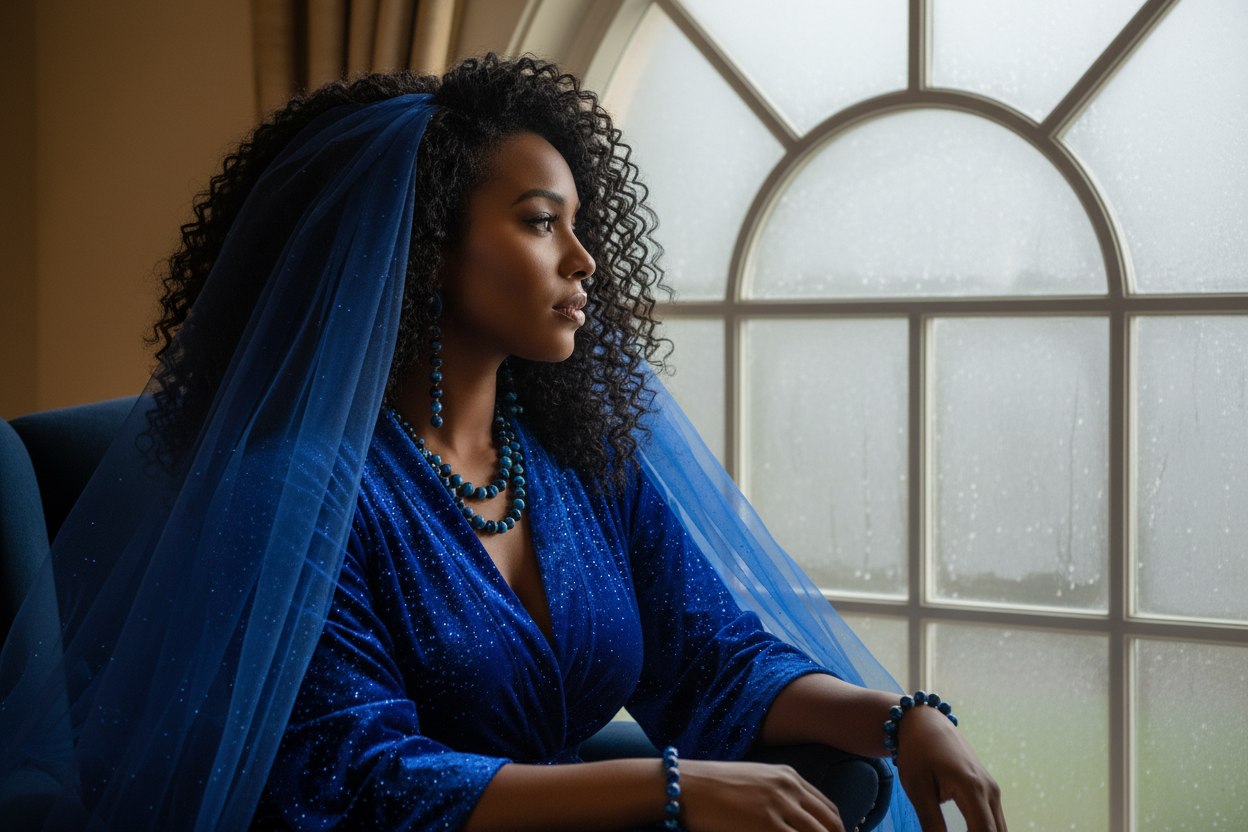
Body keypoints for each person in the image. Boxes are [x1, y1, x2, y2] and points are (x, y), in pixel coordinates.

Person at [0, 56, 1005, 832]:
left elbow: (706, 655)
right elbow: (364, 781)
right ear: (427, 245)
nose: (584, 259)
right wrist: (667, 788)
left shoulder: (576, 457)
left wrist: (899, 717)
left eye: (578, 223)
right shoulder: (296, 493)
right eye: (539, 223)